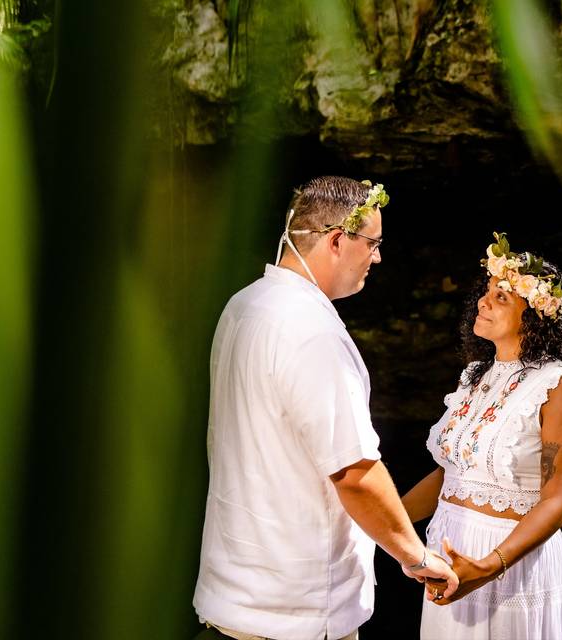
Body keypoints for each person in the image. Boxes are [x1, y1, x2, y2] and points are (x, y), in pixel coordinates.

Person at [192, 176, 458, 640]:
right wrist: (417, 556)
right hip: (295, 608)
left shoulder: (243, 305)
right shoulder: (311, 331)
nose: (378, 257)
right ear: (338, 240)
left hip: (234, 590)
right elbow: (354, 473)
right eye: (373, 243)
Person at [402, 232, 562, 639]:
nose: (483, 302)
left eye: (502, 297)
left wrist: (489, 566)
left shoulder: (561, 387)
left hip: (510, 565)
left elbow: (560, 500)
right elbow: (450, 476)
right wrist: (385, 525)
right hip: (448, 555)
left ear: (535, 314)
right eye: (486, 292)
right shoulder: (476, 377)